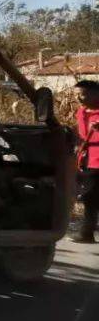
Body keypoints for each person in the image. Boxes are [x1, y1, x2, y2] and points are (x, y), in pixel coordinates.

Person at [74, 79, 99, 244]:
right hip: (88, 161)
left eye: (83, 94)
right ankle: (86, 233)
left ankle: (86, 233)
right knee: (90, 198)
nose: (79, 98)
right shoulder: (81, 113)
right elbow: (82, 136)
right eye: (77, 94)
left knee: (92, 197)